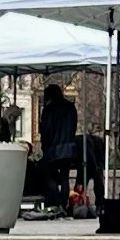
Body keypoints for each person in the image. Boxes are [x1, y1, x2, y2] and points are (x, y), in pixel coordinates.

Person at [39, 83, 79, 213]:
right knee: (65, 177)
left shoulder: (49, 110)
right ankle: (64, 203)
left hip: (53, 148)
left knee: (48, 174)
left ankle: (56, 202)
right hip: (69, 148)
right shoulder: (70, 107)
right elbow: (73, 126)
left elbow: (46, 130)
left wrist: (44, 145)